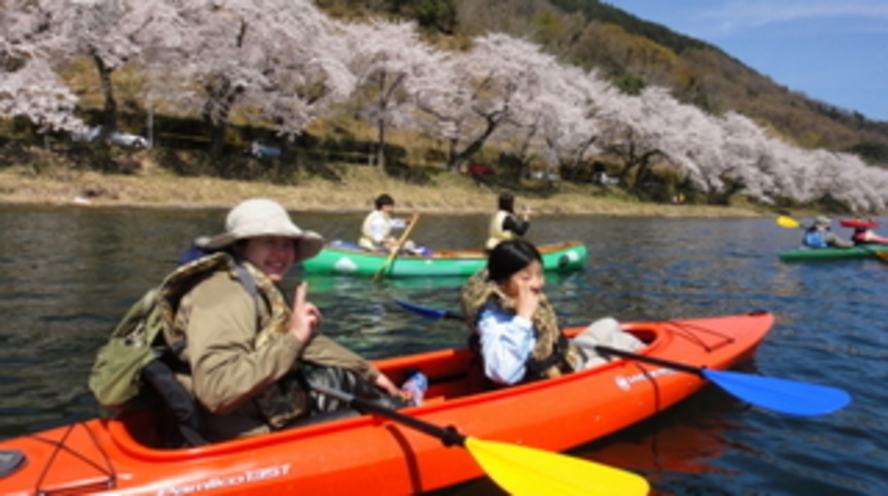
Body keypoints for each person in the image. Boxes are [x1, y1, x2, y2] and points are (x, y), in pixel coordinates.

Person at [164, 198, 405, 442]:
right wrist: (294, 336)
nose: (281, 253)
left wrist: (370, 373)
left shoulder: (255, 283)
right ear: (240, 246)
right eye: (269, 242)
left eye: (287, 244)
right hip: (246, 436)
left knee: (345, 378)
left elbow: (307, 342)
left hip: (265, 410)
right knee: (389, 416)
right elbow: (217, 392)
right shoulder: (222, 295)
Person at [459, 238, 644, 387]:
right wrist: (523, 317)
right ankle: (652, 370)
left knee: (609, 323)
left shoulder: (512, 296)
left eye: (539, 274)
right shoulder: (494, 320)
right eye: (526, 277)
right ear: (501, 283)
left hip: (566, 355)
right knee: (625, 343)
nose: (538, 283)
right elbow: (504, 374)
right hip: (560, 377)